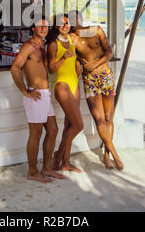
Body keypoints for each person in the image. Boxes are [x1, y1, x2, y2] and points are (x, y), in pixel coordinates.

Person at [11, 16, 65, 182]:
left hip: (45, 95)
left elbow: (48, 69)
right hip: (35, 95)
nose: (43, 28)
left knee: (53, 130)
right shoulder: (28, 46)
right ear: (32, 28)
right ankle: (32, 172)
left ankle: (47, 168)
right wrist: (25, 91)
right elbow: (15, 68)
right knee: (36, 133)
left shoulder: (42, 45)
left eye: (46, 26)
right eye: (39, 26)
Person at [69, 10, 124, 171]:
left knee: (108, 118)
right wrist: (80, 61)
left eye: (75, 18)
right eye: (71, 19)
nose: (74, 21)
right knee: (99, 120)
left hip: (106, 76)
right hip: (90, 80)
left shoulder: (97, 30)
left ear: (80, 18)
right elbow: (71, 56)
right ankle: (115, 155)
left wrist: (95, 64)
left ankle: (106, 155)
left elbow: (109, 52)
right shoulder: (72, 38)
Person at [47, 14, 84, 173]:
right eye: (62, 23)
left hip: (75, 83)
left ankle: (65, 163)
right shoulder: (53, 45)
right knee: (79, 125)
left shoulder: (72, 39)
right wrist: (63, 57)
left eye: (68, 23)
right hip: (62, 85)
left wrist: (78, 68)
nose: (65, 25)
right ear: (57, 26)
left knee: (69, 125)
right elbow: (51, 68)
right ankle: (58, 154)